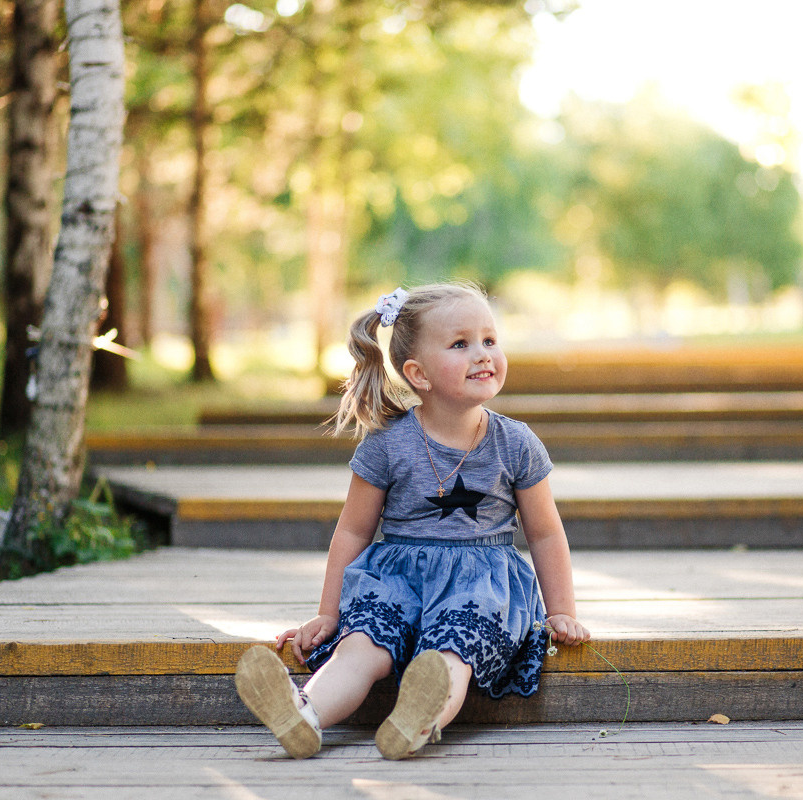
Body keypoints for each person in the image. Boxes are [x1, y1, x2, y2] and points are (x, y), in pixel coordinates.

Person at [234, 281, 590, 760]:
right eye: (460, 344)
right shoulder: (387, 443)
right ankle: (303, 714)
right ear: (418, 374)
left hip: (481, 586)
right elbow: (353, 531)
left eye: (489, 339)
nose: (483, 354)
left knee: (451, 657)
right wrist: (329, 613)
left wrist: (561, 610)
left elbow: (545, 534)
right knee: (361, 647)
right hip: (395, 580)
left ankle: (417, 721)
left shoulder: (516, 443)